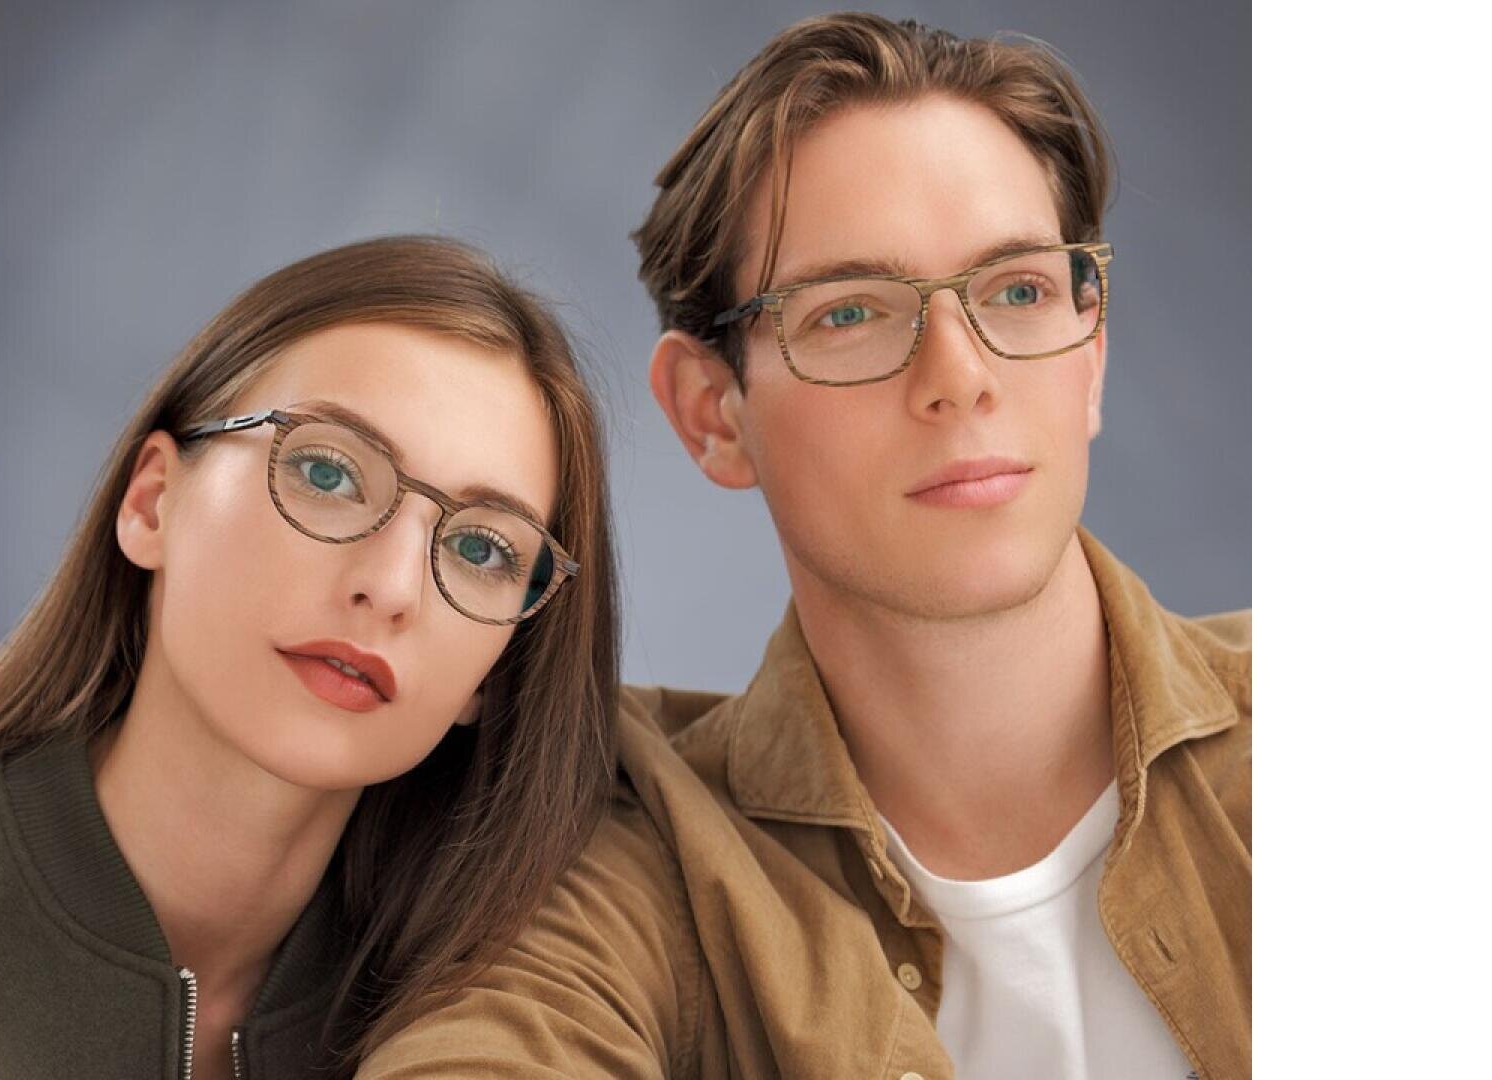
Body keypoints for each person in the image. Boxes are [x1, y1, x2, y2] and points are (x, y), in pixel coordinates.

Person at [362, 13, 1249, 1080]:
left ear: (1092, 353)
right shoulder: (633, 868)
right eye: (851, 314)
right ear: (712, 416)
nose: (961, 376)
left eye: (1018, 290)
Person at [0, 235, 621, 1080]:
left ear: (496, 671)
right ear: (153, 503)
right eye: (329, 471)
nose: (391, 588)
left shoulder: (509, 1008)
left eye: (484, 550)